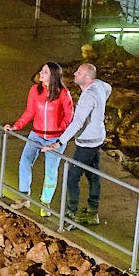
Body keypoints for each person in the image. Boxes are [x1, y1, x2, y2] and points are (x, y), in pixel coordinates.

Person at [44, 61, 110, 226]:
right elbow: (109, 88)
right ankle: (92, 211)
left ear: (87, 77)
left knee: (73, 177)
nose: (74, 74)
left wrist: (59, 142)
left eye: (79, 73)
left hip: (87, 142)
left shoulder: (87, 96)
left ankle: (70, 214)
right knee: (93, 174)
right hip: (98, 138)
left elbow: (77, 122)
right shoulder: (99, 85)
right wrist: (98, 113)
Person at [11, 61, 73, 213]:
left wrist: (59, 130)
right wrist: (16, 126)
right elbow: (29, 112)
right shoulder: (35, 90)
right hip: (36, 134)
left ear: (53, 76)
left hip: (55, 139)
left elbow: (69, 116)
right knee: (25, 161)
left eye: (45, 71)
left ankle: (45, 203)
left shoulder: (63, 94)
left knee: (50, 172)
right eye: (41, 70)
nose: (41, 73)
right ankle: (24, 196)